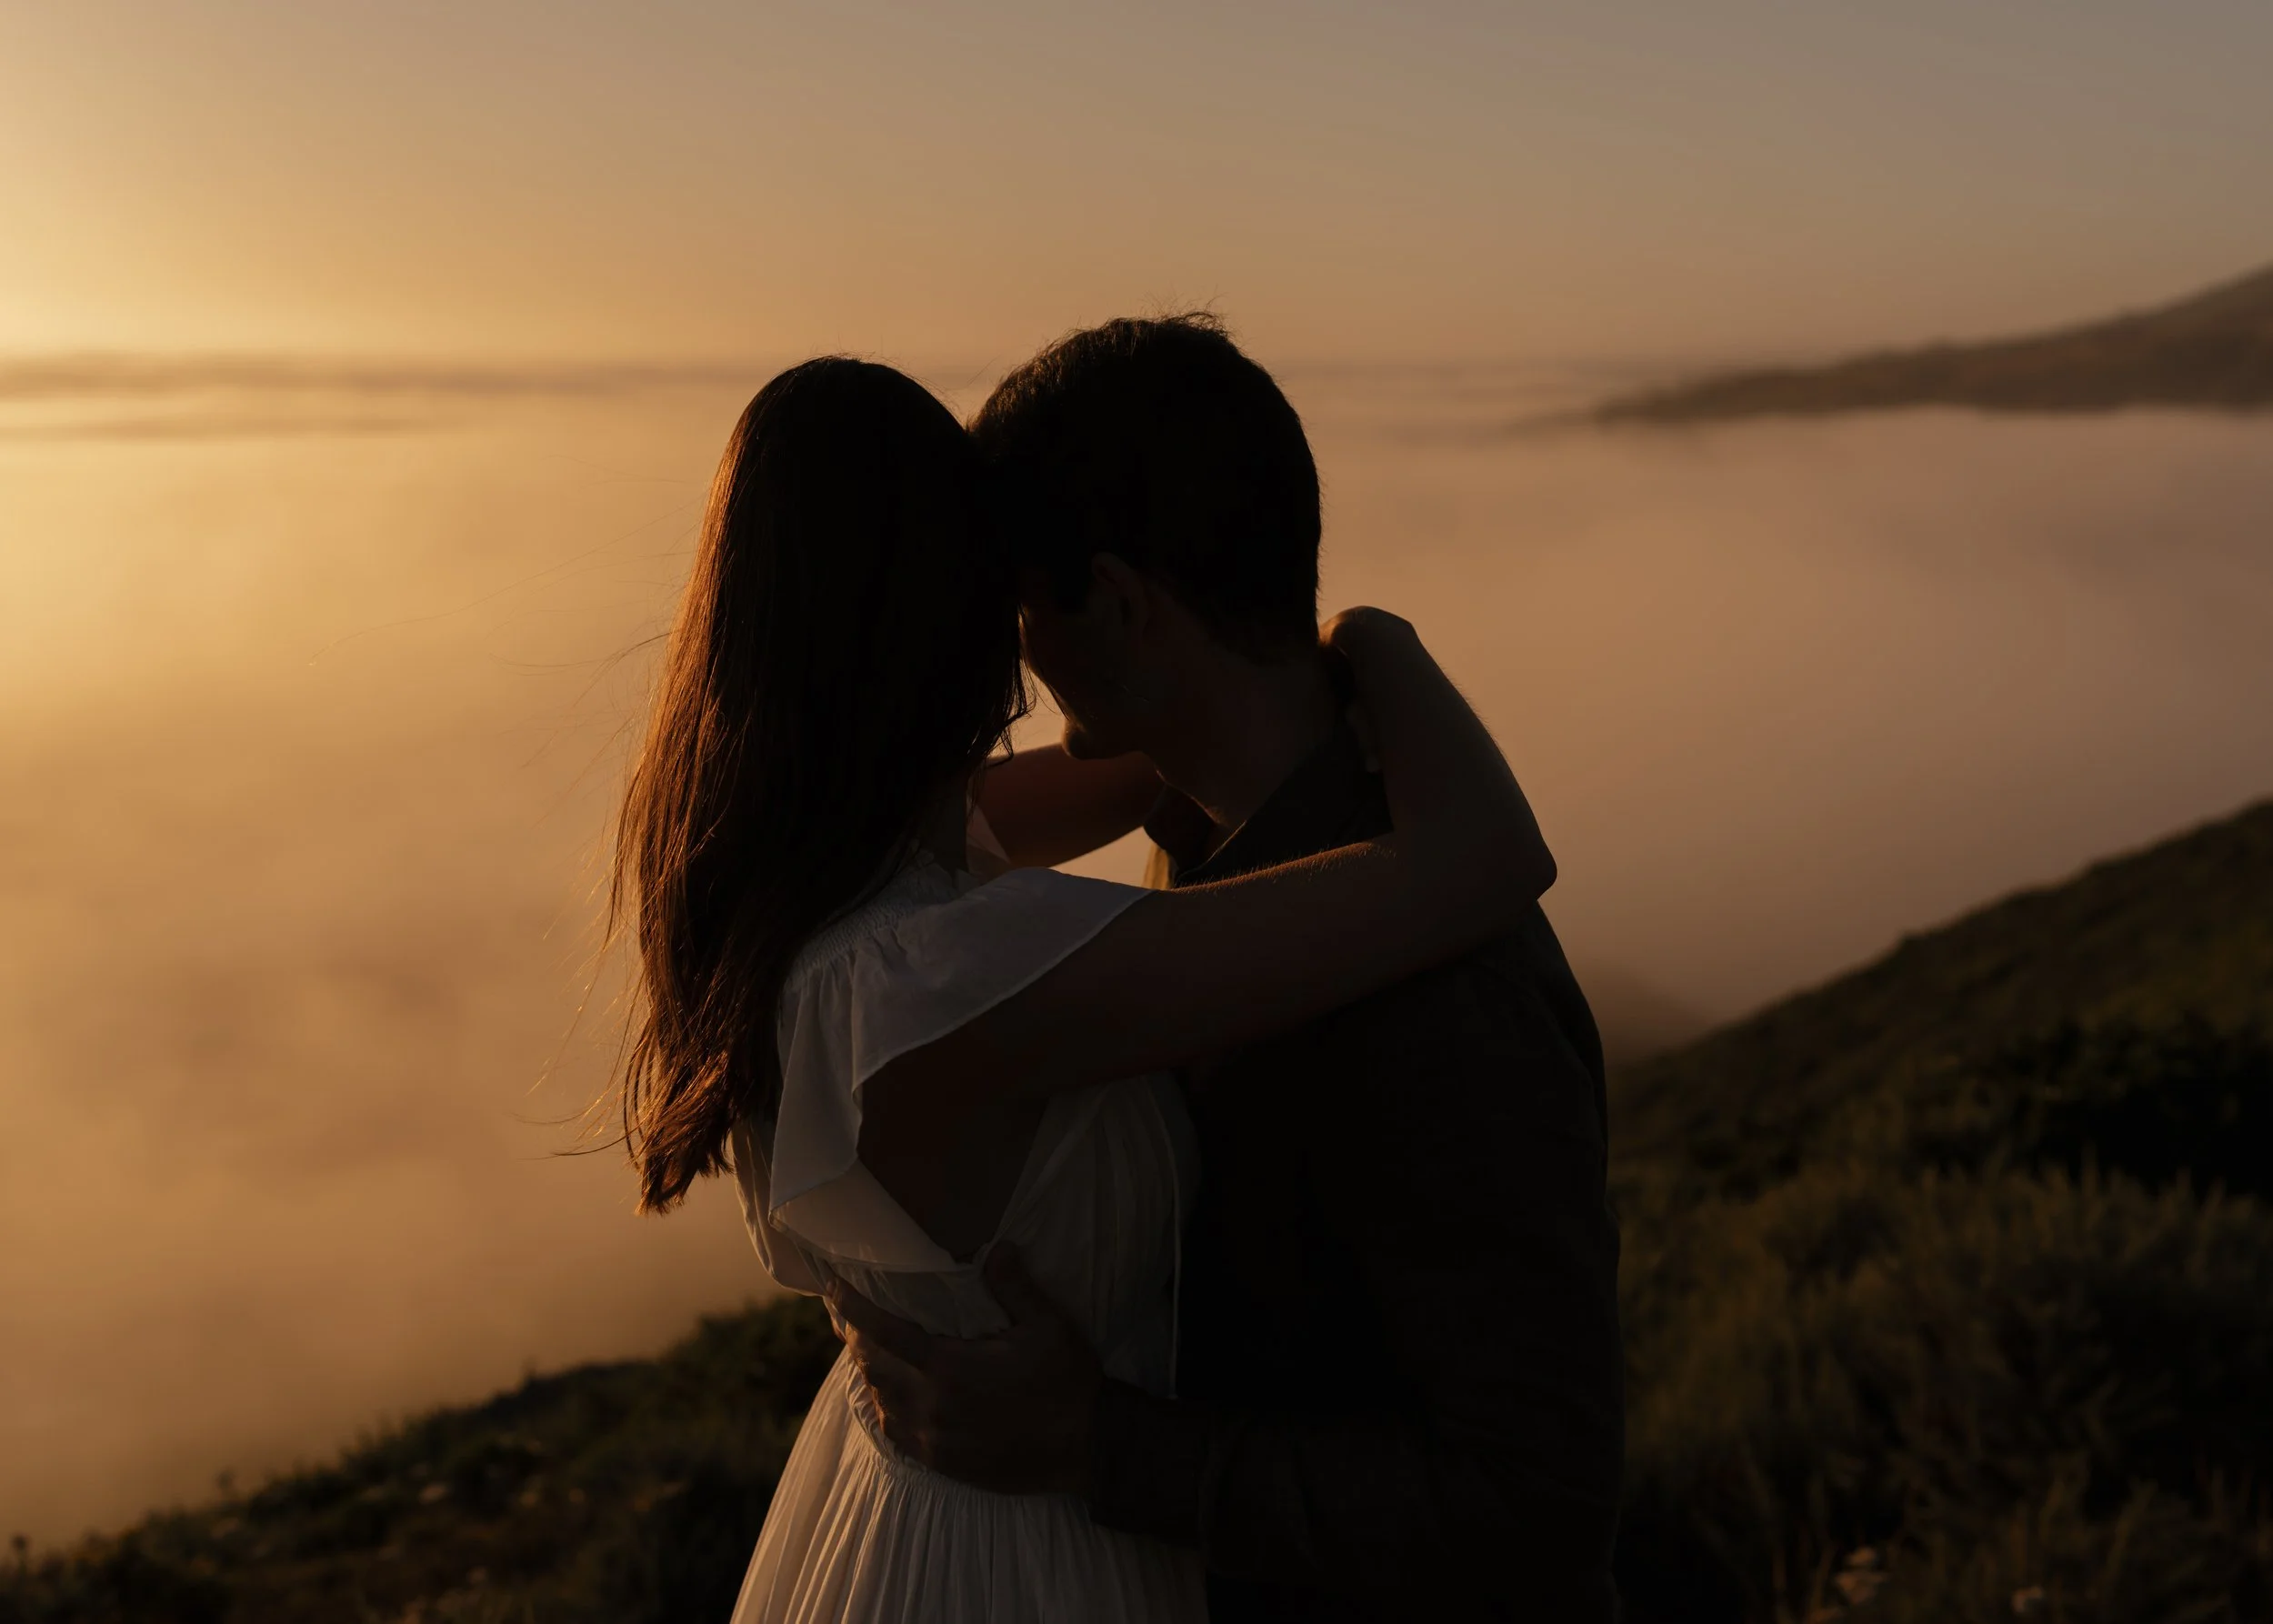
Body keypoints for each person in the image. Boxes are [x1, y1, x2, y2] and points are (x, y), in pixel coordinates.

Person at [610, 354, 1557, 1623]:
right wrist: (1370, 641)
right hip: (1032, 1556)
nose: (1018, 647)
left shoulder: (801, 882)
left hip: (910, 1524)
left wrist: (1201, 689)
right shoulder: (949, 969)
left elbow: (1137, 764)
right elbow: (1484, 856)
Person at [829, 316, 1626, 1621]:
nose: (1014, 657)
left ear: (1121, 603)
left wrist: (1100, 1444)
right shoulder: (1203, 833)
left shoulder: (1436, 991)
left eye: (1024, 604)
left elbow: (1537, 1509)